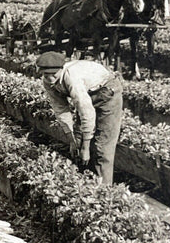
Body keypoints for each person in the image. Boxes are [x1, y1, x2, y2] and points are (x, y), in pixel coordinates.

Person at [36, 51, 123, 185]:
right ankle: (83, 185)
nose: (50, 78)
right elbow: (61, 111)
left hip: (107, 92)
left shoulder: (72, 78)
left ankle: (104, 191)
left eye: (54, 74)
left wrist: (86, 148)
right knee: (78, 141)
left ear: (61, 68)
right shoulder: (48, 83)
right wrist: (71, 139)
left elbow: (86, 112)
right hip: (87, 93)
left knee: (102, 147)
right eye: (46, 75)